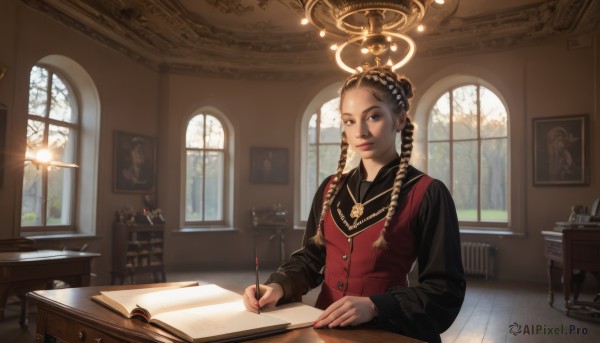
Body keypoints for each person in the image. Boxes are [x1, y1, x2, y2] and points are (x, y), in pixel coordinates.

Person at [243, 66, 465, 343]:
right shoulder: (330, 188)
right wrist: (278, 285)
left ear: (399, 119)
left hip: (392, 331)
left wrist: (375, 305)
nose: (360, 131)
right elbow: (311, 258)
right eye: (349, 121)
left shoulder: (428, 193)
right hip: (325, 329)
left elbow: (445, 290)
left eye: (373, 116)